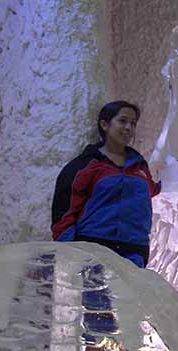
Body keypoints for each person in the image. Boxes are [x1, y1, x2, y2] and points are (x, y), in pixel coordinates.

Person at [51, 100, 160, 267]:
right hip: (94, 248)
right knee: (96, 294)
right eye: (122, 121)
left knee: (130, 293)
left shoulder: (139, 165)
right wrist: (69, 248)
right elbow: (64, 211)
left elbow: (147, 191)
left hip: (134, 249)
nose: (129, 128)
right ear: (104, 124)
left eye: (133, 123)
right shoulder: (86, 165)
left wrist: (176, 182)